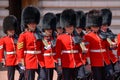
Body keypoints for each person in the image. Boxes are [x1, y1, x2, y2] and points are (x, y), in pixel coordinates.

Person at [55, 9, 87, 80]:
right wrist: (59, 64)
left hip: (77, 62)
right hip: (66, 63)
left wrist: (83, 53)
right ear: (65, 27)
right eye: (68, 26)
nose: (70, 28)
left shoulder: (77, 36)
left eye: (71, 26)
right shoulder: (60, 37)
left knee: (82, 77)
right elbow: (58, 52)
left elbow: (80, 49)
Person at [17, 6, 46, 80]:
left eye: (34, 23)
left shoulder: (39, 34)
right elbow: (20, 49)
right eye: (31, 23)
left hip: (39, 60)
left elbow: (43, 46)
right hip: (29, 61)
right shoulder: (23, 35)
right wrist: (21, 61)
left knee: (44, 77)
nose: (33, 25)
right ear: (27, 24)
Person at [84, 9, 114, 80]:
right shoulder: (88, 36)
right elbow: (87, 51)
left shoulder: (103, 34)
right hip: (95, 61)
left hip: (105, 60)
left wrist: (111, 45)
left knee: (110, 74)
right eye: (94, 27)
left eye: (97, 27)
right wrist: (88, 63)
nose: (96, 28)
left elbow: (107, 45)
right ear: (91, 26)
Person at [0, 15, 25, 80]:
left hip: (18, 59)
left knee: (23, 72)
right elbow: (1, 51)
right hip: (10, 60)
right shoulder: (3, 39)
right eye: (10, 30)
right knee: (11, 77)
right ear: (7, 30)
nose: (12, 31)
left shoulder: (18, 38)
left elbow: (20, 48)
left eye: (13, 30)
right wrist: (2, 60)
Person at [100, 8, 118, 76]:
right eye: (104, 25)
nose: (105, 27)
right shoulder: (98, 33)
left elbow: (114, 42)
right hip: (103, 58)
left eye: (107, 25)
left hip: (112, 57)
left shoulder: (109, 32)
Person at [41, 12, 56, 80]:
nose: (50, 31)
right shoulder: (42, 38)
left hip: (52, 61)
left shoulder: (54, 38)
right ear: (45, 29)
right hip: (45, 61)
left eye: (51, 29)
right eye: (48, 29)